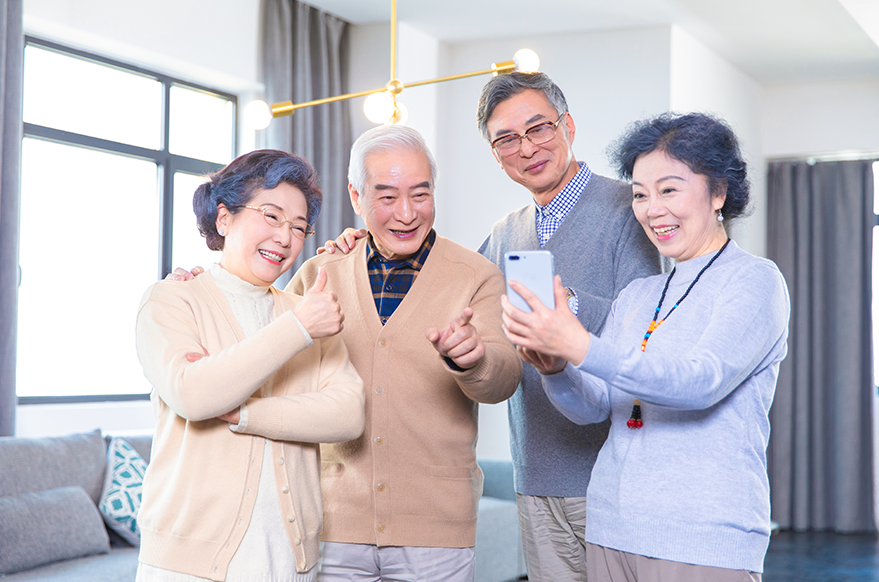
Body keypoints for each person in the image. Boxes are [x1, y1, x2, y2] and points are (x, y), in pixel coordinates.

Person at [502, 112, 790, 581]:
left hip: (703, 540)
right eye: (639, 194)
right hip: (611, 531)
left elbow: (700, 382)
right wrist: (556, 368)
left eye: (669, 189)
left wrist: (579, 345)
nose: (652, 209)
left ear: (718, 193)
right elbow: (596, 405)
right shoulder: (638, 296)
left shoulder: (755, 281)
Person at [287, 124, 522, 581]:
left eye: (421, 194)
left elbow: (505, 378)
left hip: (436, 530)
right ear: (356, 198)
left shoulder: (475, 274)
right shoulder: (320, 272)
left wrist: (474, 359)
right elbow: (268, 354)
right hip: (333, 525)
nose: (407, 213)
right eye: (387, 197)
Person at [134, 150, 365, 582]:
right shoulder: (171, 300)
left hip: (291, 561)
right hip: (190, 567)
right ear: (224, 219)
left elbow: (349, 413)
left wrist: (245, 414)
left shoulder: (308, 311)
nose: (286, 238)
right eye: (272, 216)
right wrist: (298, 328)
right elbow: (195, 393)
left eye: (299, 228)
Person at [475, 72, 662, 581]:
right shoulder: (503, 233)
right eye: (507, 139)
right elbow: (450, 292)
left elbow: (645, 323)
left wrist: (568, 308)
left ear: (568, 126)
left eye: (539, 128)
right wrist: (370, 245)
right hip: (533, 471)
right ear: (496, 155)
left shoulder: (632, 208)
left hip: (611, 473)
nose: (527, 148)